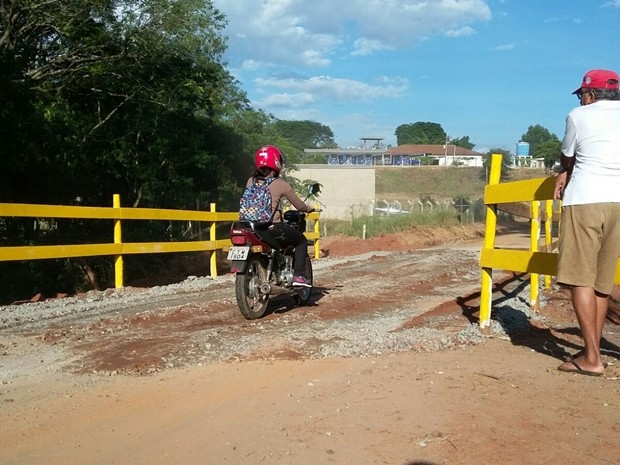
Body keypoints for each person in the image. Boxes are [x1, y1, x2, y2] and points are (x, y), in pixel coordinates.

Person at [553, 69, 620, 376]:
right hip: (617, 203)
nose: (582, 100)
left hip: (585, 200)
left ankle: (592, 358)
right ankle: (590, 349)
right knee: (602, 284)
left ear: (590, 95)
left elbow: (568, 154)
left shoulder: (579, 116)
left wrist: (563, 170)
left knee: (581, 278)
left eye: (582, 95)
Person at [245, 145, 315, 287]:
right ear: (277, 162)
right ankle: (298, 277)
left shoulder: (250, 181)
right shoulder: (280, 183)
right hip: (273, 228)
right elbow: (300, 206)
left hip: (252, 227)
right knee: (301, 240)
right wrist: (309, 208)